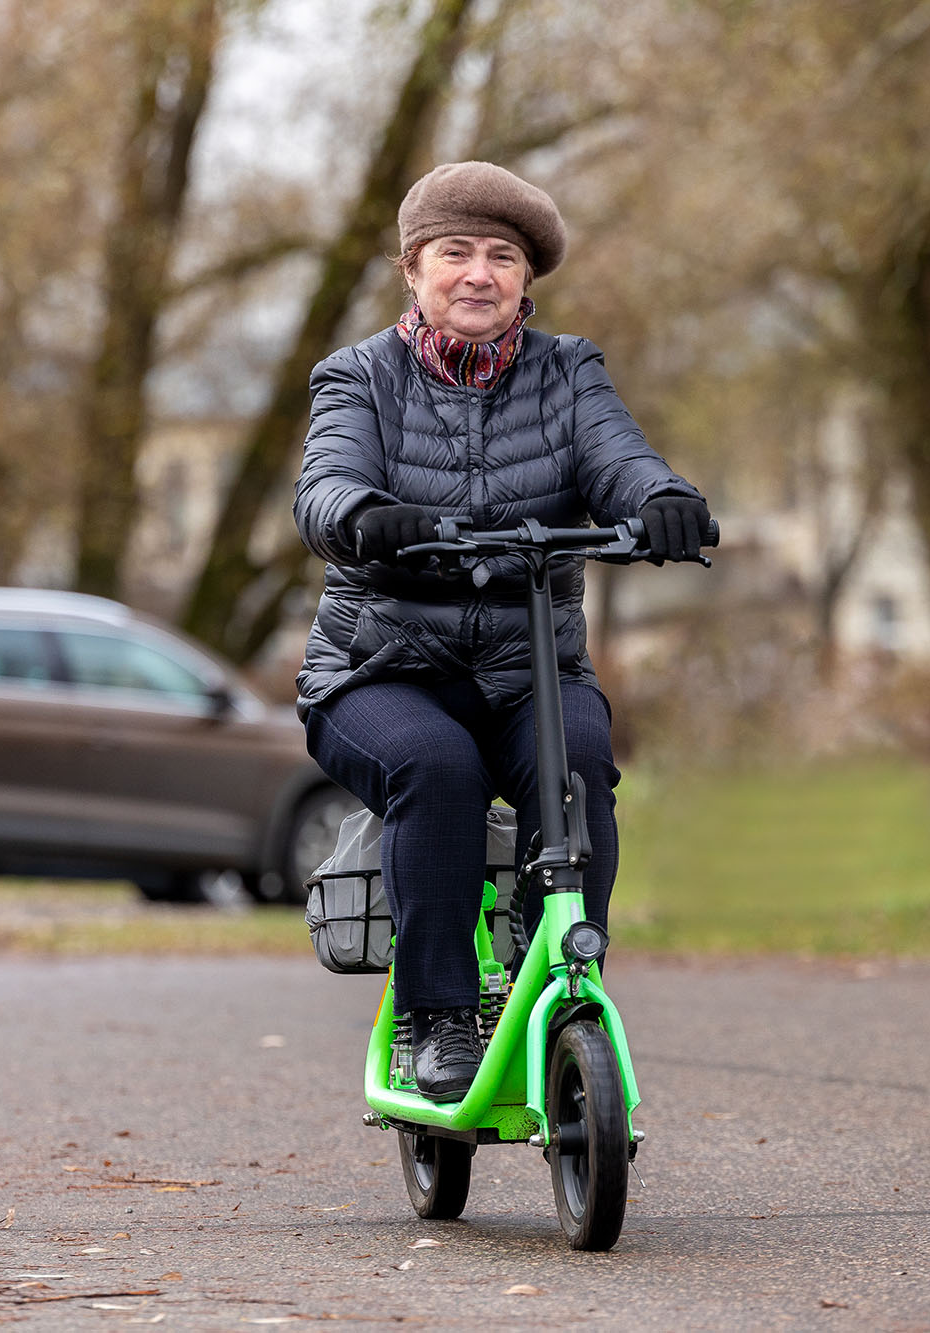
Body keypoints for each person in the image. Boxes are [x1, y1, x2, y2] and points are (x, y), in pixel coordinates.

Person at [293, 161, 710, 1101]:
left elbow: (619, 457)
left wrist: (663, 500)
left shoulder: (569, 372)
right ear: (413, 269)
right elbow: (324, 483)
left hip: (528, 670)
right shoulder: (357, 377)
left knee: (580, 765)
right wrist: (361, 513)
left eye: (503, 256)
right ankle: (435, 1017)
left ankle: (562, 968)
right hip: (379, 668)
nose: (479, 273)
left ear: (526, 279)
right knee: (437, 768)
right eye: (456, 253)